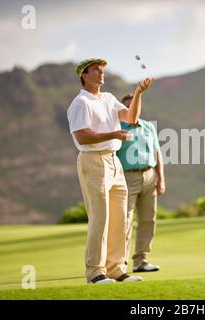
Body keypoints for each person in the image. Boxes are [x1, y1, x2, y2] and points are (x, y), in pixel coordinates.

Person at [67, 57, 154, 284]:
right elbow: (82, 135)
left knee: (119, 219)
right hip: (92, 161)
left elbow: (131, 118)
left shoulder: (108, 98)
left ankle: (116, 269)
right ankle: (95, 273)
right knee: (100, 217)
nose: (101, 73)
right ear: (84, 75)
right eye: (96, 70)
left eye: (102, 70)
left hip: (114, 162)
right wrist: (114, 134)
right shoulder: (80, 103)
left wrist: (138, 94)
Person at [117, 94, 165, 273]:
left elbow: (157, 152)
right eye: (129, 108)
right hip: (127, 177)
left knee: (148, 219)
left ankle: (141, 261)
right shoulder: (118, 127)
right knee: (125, 221)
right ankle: (119, 264)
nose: (133, 110)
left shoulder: (149, 126)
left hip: (149, 175)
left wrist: (161, 178)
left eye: (136, 106)